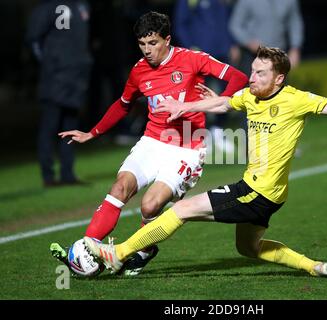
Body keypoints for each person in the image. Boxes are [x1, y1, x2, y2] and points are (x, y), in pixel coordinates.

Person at [83, 46, 327, 277]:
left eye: (259, 73)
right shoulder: (250, 96)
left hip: (257, 192)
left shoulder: (296, 100)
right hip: (271, 196)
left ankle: (120, 253)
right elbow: (223, 104)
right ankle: (314, 267)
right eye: (252, 70)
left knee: (179, 211)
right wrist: (187, 108)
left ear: (279, 79)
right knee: (250, 249)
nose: (252, 77)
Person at [50, 11, 248, 276]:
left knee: (150, 206)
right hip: (153, 141)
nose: (147, 50)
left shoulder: (192, 59)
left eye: (153, 43)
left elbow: (238, 78)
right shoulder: (139, 71)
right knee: (121, 186)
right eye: (142, 44)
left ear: (167, 39)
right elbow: (123, 105)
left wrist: (219, 100)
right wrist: (92, 133)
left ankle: (144, 249)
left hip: (188, 148)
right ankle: (88, 249)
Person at [26, 0, 92, 187]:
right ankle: (48, 175)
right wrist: (50, 64)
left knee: (70, 127)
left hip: (75, 79)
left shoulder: (81, 6)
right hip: (55, 78)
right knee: (50, 126)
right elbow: (33, 40)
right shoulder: (49, 7)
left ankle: (67, 173)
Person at [174, 0, 239, 153]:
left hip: (222, 53)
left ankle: (218, 130)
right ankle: (202, 135)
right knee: (198, 94)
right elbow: (180, 25)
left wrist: (232, 44)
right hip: (201, 56)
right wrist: (190, 48)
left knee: (226, 93)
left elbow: (227, 20)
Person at [229, 0, 304, 75]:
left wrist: (295, 48)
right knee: (252, 85)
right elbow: (235, 25)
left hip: (278, 55)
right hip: (252, 55)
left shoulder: (289, 1)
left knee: (279, 85)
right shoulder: (246, 1)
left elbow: (294, 23)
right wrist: (248, 41)